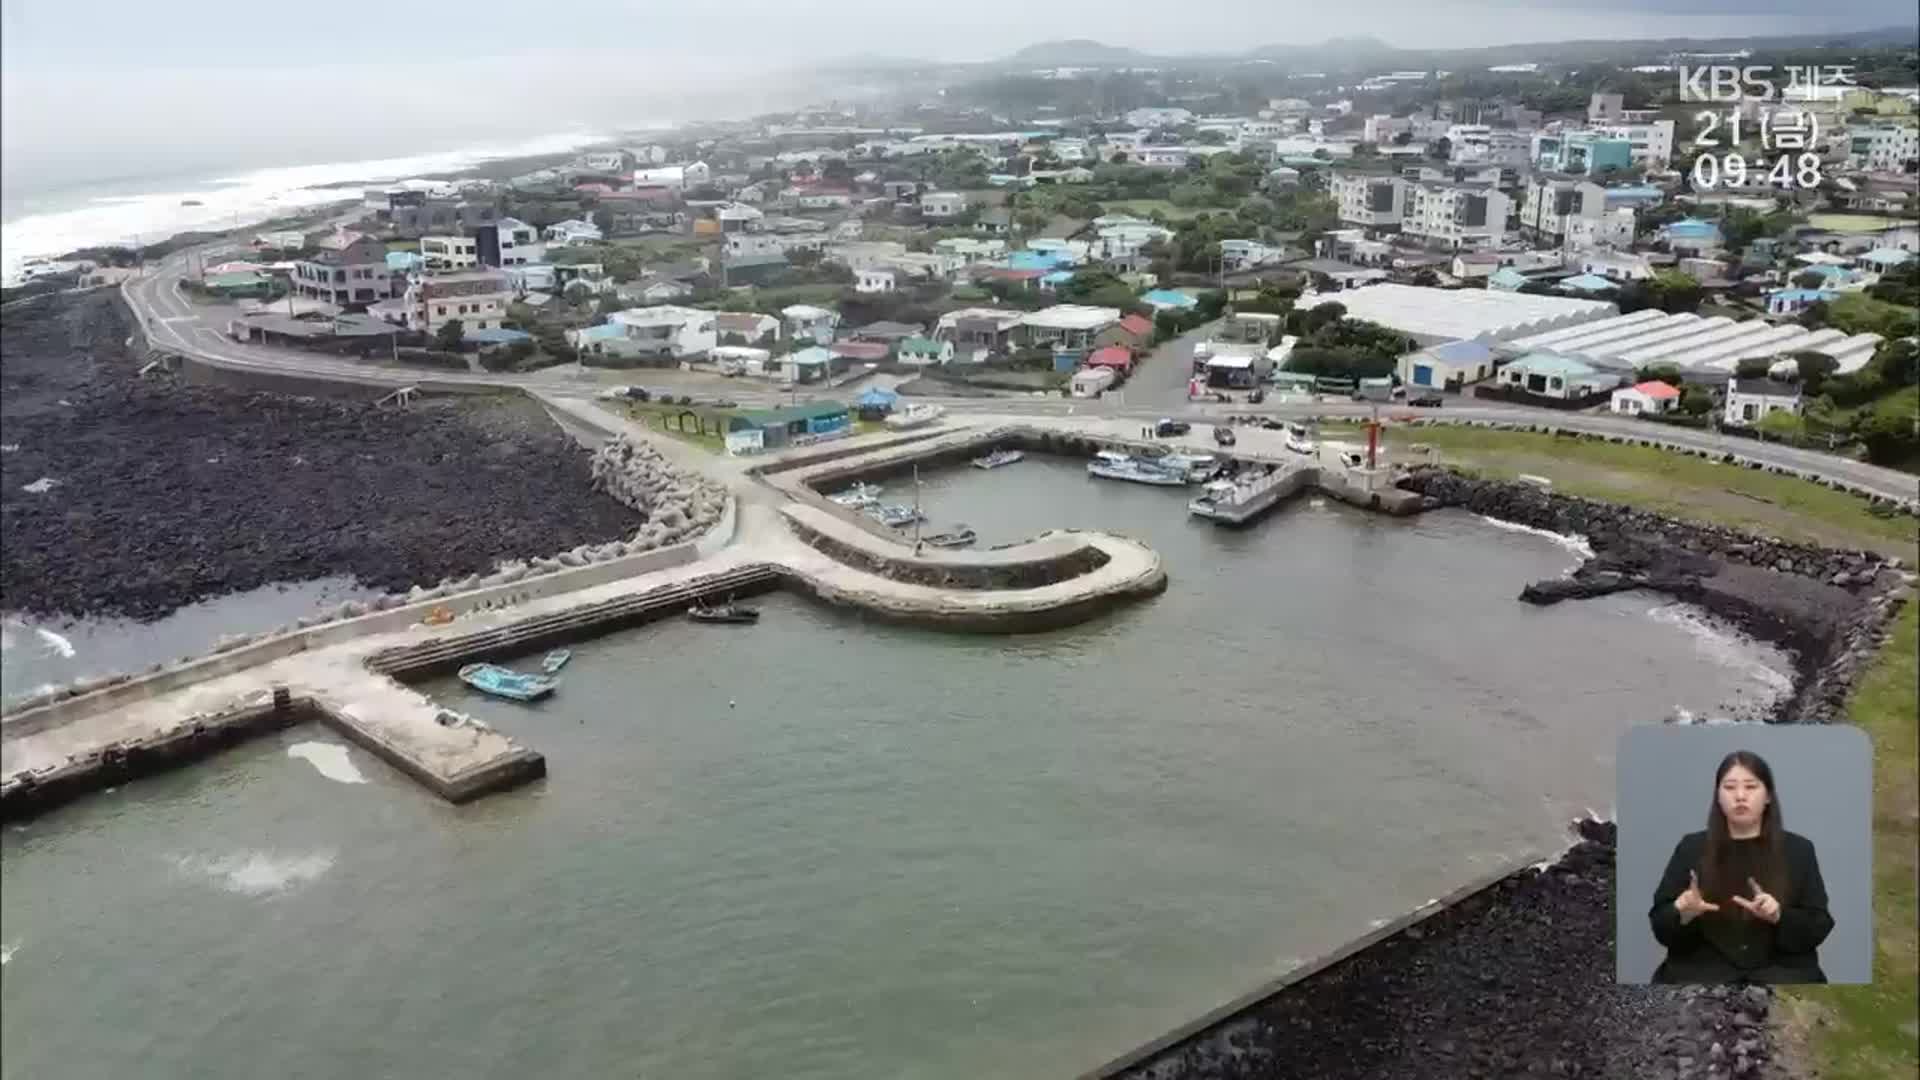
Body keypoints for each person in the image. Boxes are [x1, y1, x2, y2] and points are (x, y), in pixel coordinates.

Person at [1648, 750, 1833, 984]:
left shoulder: (1799, 850)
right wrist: (1682, 912)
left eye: (1750, 786)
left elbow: (1819, 925)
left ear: (1768, 796)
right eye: (1729, 787)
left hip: (1782, 974)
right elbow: (1660, 925)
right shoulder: (1691, 848)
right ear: (1717, 796)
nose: (1740, 796)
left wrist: (1779, 916)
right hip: (1702, 974)